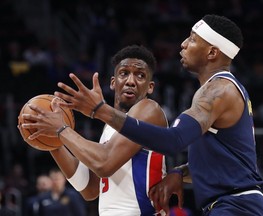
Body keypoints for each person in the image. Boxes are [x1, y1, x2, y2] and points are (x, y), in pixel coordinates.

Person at [46, 14, 263, 215]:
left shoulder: (218, 90)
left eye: (193, 39)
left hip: (237, 205)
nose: (183, 44)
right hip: (231, 204)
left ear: (212, 52)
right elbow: (226, 161)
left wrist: (97, 112)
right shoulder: (215, 91)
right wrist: (179, 172)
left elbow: (174, 140)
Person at [20, 45, 168, 215]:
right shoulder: (109, 128)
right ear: (113, 82)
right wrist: (53, 141)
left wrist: (61, 128)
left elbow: (104, 164)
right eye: (124, 73)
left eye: (140, 76)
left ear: (150, 87)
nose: (130, 81)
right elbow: (89, 189)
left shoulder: (149, 110)